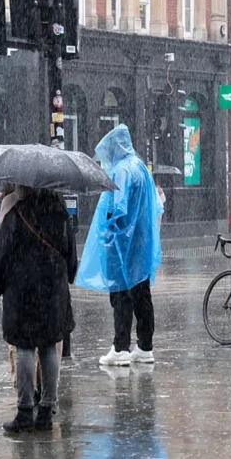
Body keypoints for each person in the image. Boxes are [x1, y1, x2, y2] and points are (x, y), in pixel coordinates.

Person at [0, 186, 77, 433]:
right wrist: (66, 274)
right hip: (53, 289)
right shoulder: (59, 214)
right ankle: (47, 411)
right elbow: (71, 254)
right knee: (49, 346)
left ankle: (25, 411)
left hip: (22, 290)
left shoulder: (17, 214)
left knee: (25, 347)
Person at [76, 124, 163, 367]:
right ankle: (145, 346)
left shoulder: (122, 170)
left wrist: (108, 228)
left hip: (122, 243)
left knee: (121, 294)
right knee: (141, 294)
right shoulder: (140, 168)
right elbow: (154, 205)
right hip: (140, 243)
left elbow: (118, 208)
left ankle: (121, 347)